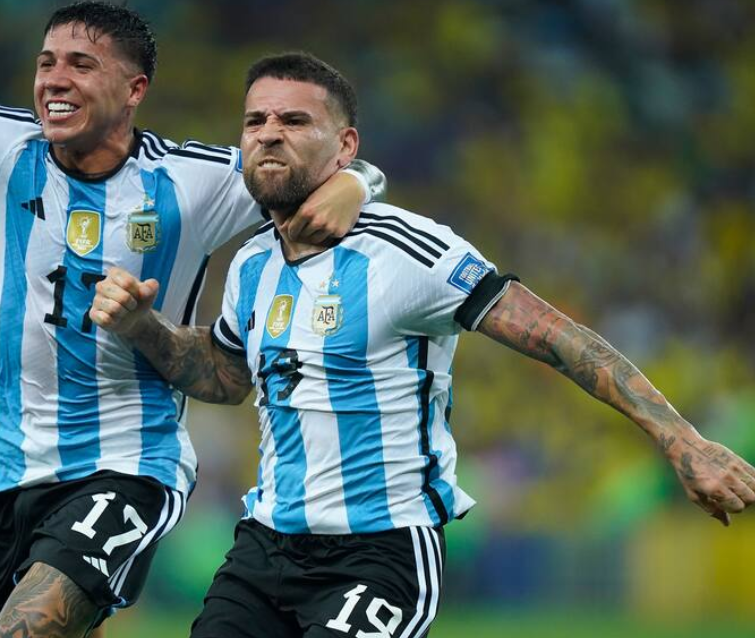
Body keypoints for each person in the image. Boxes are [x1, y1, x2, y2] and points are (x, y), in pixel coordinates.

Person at [89, 52, 755, 638]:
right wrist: (145, 327)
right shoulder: (251, 263)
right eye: (255, 120)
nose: (268, 133)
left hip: (379, 556)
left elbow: (561, 339)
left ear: (345, 146)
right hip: (264, 548)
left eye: (294, 120)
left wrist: (683, 442)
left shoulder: (410, 251)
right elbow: (227, 377)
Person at [0, 2, 387, 636]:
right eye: (46, 63)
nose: (55, 79)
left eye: (81, 65)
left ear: (134, 89)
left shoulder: (191, 179)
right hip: (1, 474)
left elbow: (314, 168)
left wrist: (357, 182)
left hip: (127, 464)